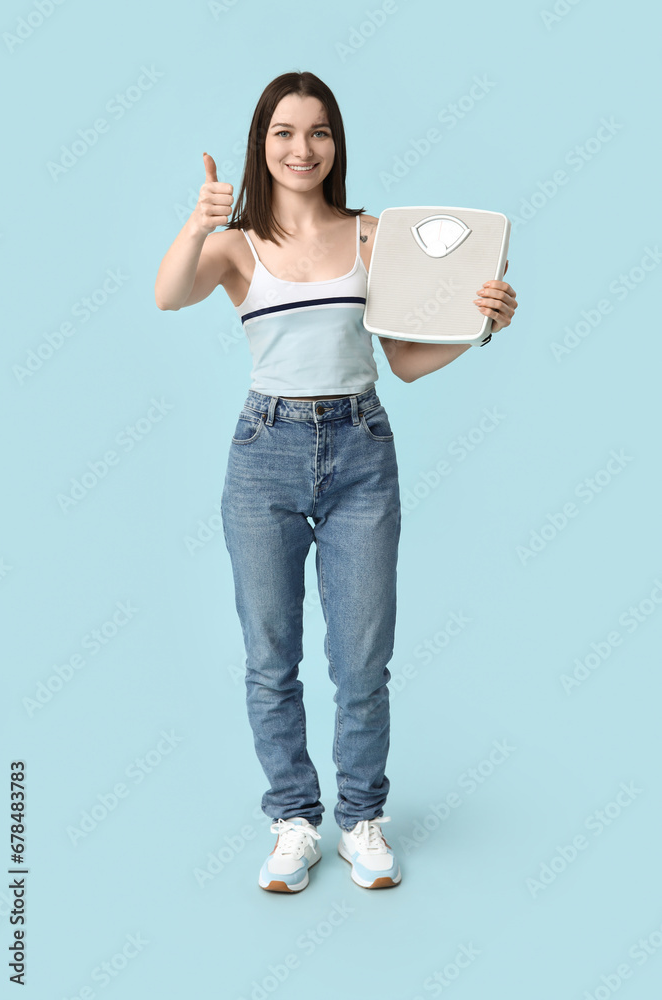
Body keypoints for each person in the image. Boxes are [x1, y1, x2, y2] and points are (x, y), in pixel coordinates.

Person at [154, 70, 518, 894]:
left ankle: (359, 820)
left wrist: (481, 325)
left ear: (335, 143)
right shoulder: (234, 243)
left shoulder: (372, 235)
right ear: (261, 142)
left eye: (317, 132)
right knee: (268, 654)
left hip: (360, 445)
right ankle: (293, 820)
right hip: (264, 450)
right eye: (284, 132)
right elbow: (168, 296)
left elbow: (406, 363)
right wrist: (195, 221)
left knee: (361, 658)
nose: (301, 148)